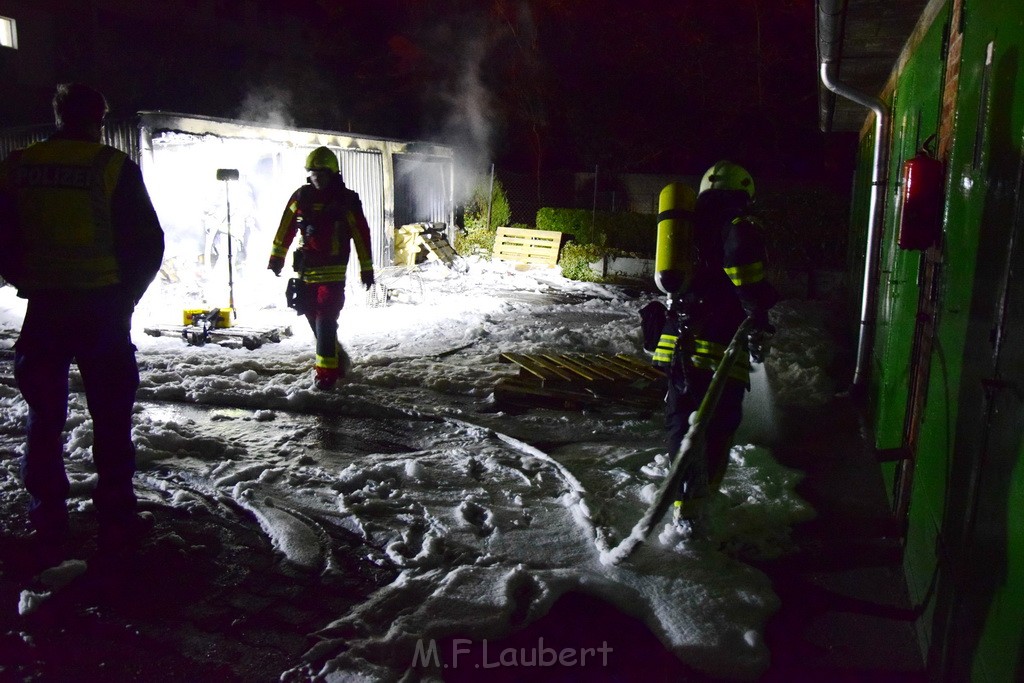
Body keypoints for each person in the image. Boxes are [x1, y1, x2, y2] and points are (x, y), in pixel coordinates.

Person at [0, 83, 165, 547]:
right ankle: (116, 515)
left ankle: (47, 516)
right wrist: (126, 297)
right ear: (99, 118)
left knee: (45, 418)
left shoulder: (18, 167)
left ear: (57, 115)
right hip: (102, 312)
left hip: (45, 311)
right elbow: (148, 244)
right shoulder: (111, 166)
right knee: (112, 419)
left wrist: (23, 279)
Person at [649, 160, 778, 538]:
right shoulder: (738, 226)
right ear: (746, 192)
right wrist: (758, 308)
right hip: (717, 341)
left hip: (678, 342)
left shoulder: (688, 226)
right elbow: (741, 265)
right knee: (716, 426)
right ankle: (694, 508)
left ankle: (683, 503)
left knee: (682, 423)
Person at [268, 146, 374, 390]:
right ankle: (336, 361)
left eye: (321, 174)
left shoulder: (346, 200)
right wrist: (277, 257)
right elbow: (286, 226)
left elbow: (361, 234)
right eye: (313, 174)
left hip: (332, 275)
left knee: (325, 322)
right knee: (314, 321)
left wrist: (366, 268)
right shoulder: (301, 197)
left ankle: (326, 378)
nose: (316, 179)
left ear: (333, 174)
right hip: (305, 273)